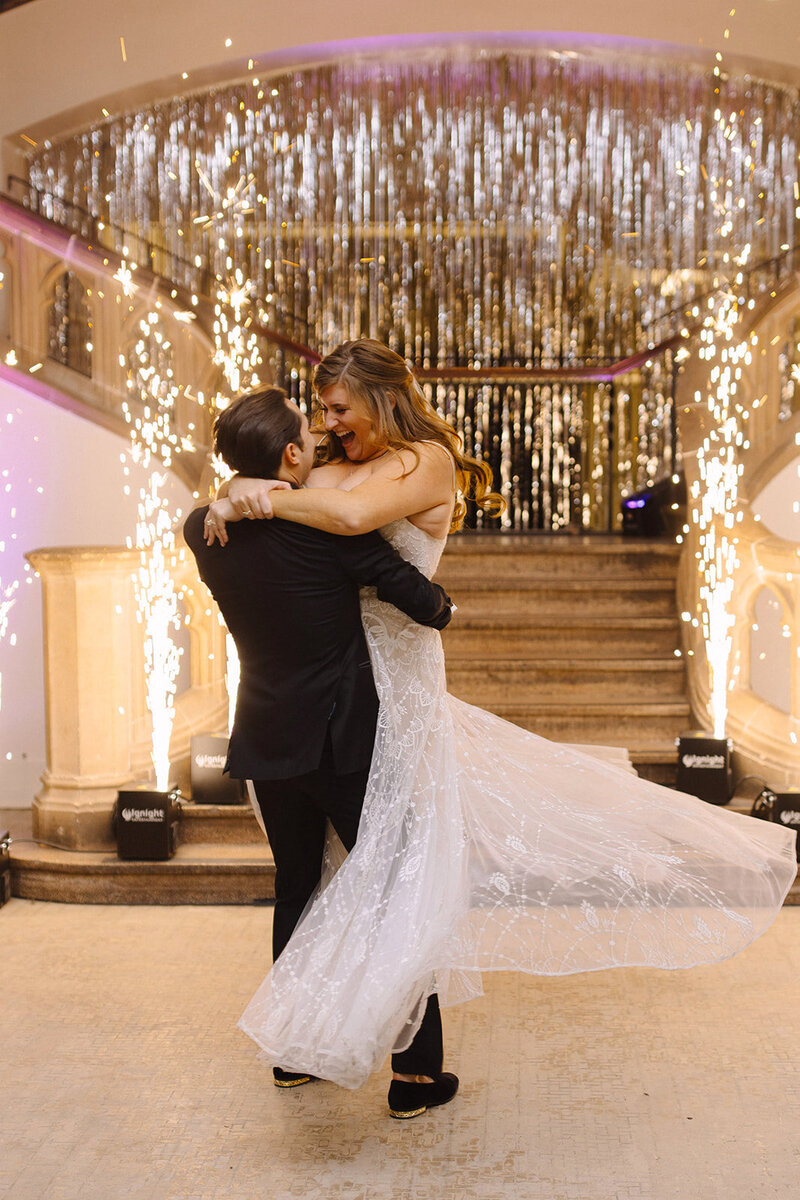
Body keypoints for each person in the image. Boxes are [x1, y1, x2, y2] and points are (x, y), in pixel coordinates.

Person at [207, 338, 797, 1105]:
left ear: (383, 397)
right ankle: (339, 1045)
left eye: (339, 408)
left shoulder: (424, 463)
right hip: (336, 675)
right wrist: (240, 488)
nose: (327, 423)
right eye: (319, 411)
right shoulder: (330, 461)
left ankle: (407, 1066)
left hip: (397, 682)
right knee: (330, 873)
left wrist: (251, 497)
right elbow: (297, 503)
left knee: (402, 872)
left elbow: (347, 518)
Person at [183, 385, 458, 1116]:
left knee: (298, 886)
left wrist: (236, 496)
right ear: (290, 455)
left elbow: (239, 515)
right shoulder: (327, 533)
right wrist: (445, 607)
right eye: (309, 435)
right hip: (343, 742)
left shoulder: (200, 528)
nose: (320, 439)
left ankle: (293, 1055)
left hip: (266, 741)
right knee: (397, 888)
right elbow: (420, 601)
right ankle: (415, 1076)